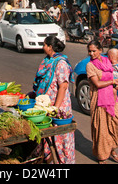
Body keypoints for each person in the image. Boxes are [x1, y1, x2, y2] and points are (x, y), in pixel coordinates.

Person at [33, 35, 75, 164]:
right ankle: (50, 159)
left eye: (44, 45)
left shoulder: (60, 63)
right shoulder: (47, 60)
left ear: (50, 47)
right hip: (47, 105)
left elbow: (62, 87)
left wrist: (55, 108)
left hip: (59, 105)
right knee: (48, 136)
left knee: (61, 137)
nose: (43, 47)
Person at [86, 39, 118, 164]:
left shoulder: (108, 61)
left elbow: (117, 74)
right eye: (89, 51)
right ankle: (102, 156)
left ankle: (112, 148)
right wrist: (113, 82)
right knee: (101, 130)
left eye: (94, 51)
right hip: (98, 99)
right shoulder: (90, 65)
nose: (92, 54)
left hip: (112, 98)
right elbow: (97, 84)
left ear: (100, 50)